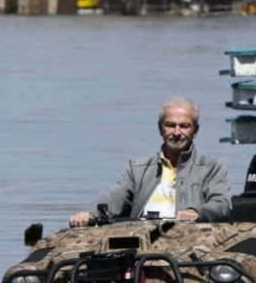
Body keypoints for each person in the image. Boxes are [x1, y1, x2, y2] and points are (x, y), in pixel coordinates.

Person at [69, 96, 230, 226]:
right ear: (160, 128)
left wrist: (196, 212)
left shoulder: (212, 167)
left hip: (188, 244)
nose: (177, 132)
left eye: (184, 126)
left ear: (195, 131)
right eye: (170, 125)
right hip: (141, 244)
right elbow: (115, 196)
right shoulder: (137, 168)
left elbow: (221, 204)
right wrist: (90, 213)